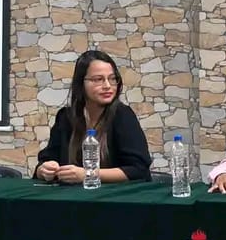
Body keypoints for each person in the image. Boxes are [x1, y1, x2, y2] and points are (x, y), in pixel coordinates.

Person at [34, 50, 151, 184]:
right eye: (98, 79)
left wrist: (89, 174)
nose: (107, 86)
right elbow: (47, 159)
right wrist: (44, 170)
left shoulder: (122, 115)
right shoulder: (66, 117)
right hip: (74, 194)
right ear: (81, 83)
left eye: (113, 79)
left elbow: (139, 170)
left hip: (115, 194)